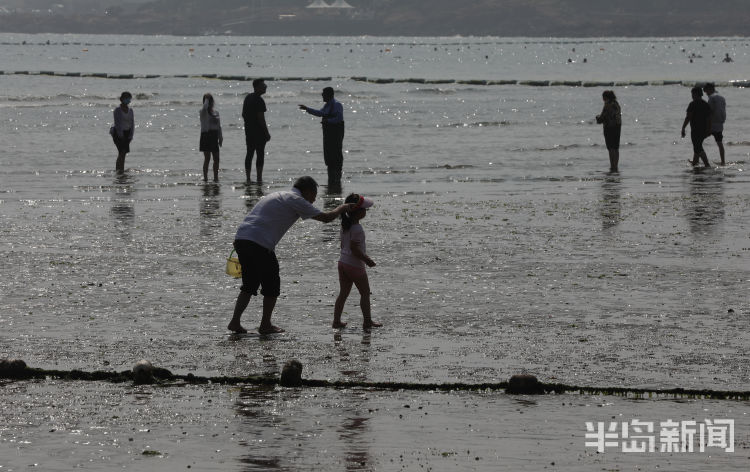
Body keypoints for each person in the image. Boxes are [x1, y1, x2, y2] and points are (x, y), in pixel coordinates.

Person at [227, 176, 355, 335]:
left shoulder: (277, 195)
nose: (313, 201)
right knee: (272, 285)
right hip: (259, 243)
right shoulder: (296, 199)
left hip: (242, 239)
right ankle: (265, 325)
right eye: (314, 196)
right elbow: (326, 218)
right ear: (307, 191)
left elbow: (254, 217)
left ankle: (235, 321)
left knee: (249, 285)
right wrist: (342, 208)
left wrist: (241, 240)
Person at [333, 193, 382, 330]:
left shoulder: (345, 226)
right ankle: (367, 321)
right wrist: (367, 260)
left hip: (342, 263)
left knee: (343, 294)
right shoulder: (358, 229)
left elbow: (344, 246)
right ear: (358, 212)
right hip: (355, 266)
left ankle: (336, 321)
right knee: (365, 293)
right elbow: (354, 249)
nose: (366, 211)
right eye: (364, 209)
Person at [299, 87, 345, 188]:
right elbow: (321, 113)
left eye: (323, 93)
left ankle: (336, 179)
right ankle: (331, 179)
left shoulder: (337, 105)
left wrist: (328, 121)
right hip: (328, 134)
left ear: (329, 94)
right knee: (328, 155)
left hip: (336, 133)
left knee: (336, 154)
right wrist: (307, 109)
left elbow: (339, 118)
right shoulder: (327, 105)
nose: (322, 95)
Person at [242, 79, 271, 182]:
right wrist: (267, 133)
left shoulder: (248, 98)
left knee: (249, 153)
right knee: (260, 154)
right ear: (257, 87)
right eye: (263, 85)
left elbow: (243, 115)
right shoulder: (259, 100)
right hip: (259, 132)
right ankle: (259, 178)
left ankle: (248, 178)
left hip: (249, 131)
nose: (265, 86)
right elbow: (261, 118)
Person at [681, 86, 712, 168]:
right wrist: (709, 129)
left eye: (692, 94)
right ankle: (695, 162)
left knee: (698, 147)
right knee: (697, 145)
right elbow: (709, 118)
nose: (692, 96)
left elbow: (688, 117)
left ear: (695, 94)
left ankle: (707, 164)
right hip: (704, 129)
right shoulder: (706, 104)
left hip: (695, 129)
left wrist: (683, 128)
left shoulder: (692, 104)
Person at [595, 90, 622, 172]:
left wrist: (597, 117)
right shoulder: (616, 104)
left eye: (603, 97)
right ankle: (615, 166)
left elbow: (603, 117)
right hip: (617, 127)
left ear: (606, 97)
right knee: (616, 147)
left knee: (610, 148)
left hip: (609, 128)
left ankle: (612, 166)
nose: (602, 99)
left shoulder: (607, 105)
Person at [199, 93, 223, 182]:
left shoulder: (216, 113)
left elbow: (219, 126)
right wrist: (207, 99)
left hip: (214, 136)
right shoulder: (203, 112)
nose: (209, 102)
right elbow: (205, 107)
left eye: (210, 100)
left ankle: (215, 177)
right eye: (207, 100)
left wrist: (220, 137)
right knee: (207, 158)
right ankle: (205, 178)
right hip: (206, 135)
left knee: (216, 158)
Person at [703, 83, 727, 165]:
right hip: (720, 124)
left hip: (712, 124)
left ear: (709, 89)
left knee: (698, 141)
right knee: (720, 143)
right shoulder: (721, 97)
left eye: (706, 92)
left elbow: (709, 112)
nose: (706, 94)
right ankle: (723, 161)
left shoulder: (712, 98)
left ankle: (696, 160)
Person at [111, 91, 134, 172]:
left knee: (123, 153)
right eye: (126, 98)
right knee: (121, 152)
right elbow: (117, 124)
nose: (128, 100)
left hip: (127, 133)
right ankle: (118, 169)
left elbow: (132, 123)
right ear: (122, 99)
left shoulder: (130, 110)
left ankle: (121, 169)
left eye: (129, 98)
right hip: (118, 134)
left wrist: (131, 135)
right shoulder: (118, 110)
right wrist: (121, 136)